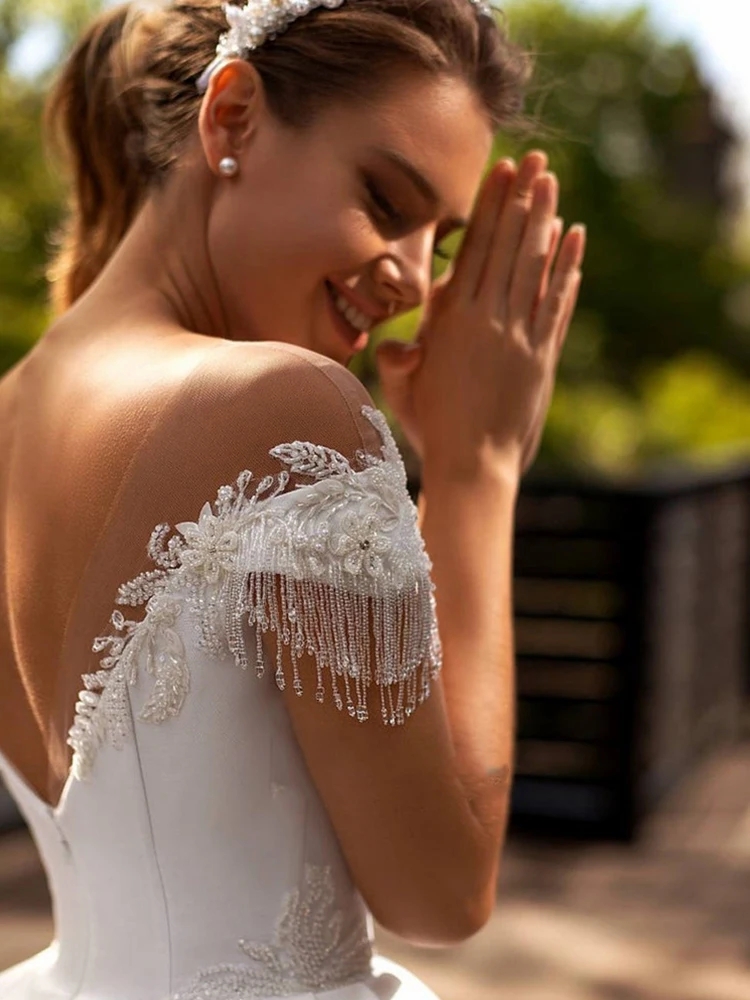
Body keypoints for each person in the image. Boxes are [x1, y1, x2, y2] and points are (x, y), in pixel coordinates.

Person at [0, 0, 585, 996]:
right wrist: (477, 464)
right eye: (387, 202)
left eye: (437, 243)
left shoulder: (13, 410)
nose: (410, 278)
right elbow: (442, 893)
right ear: (230, 117)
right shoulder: (289, 408)